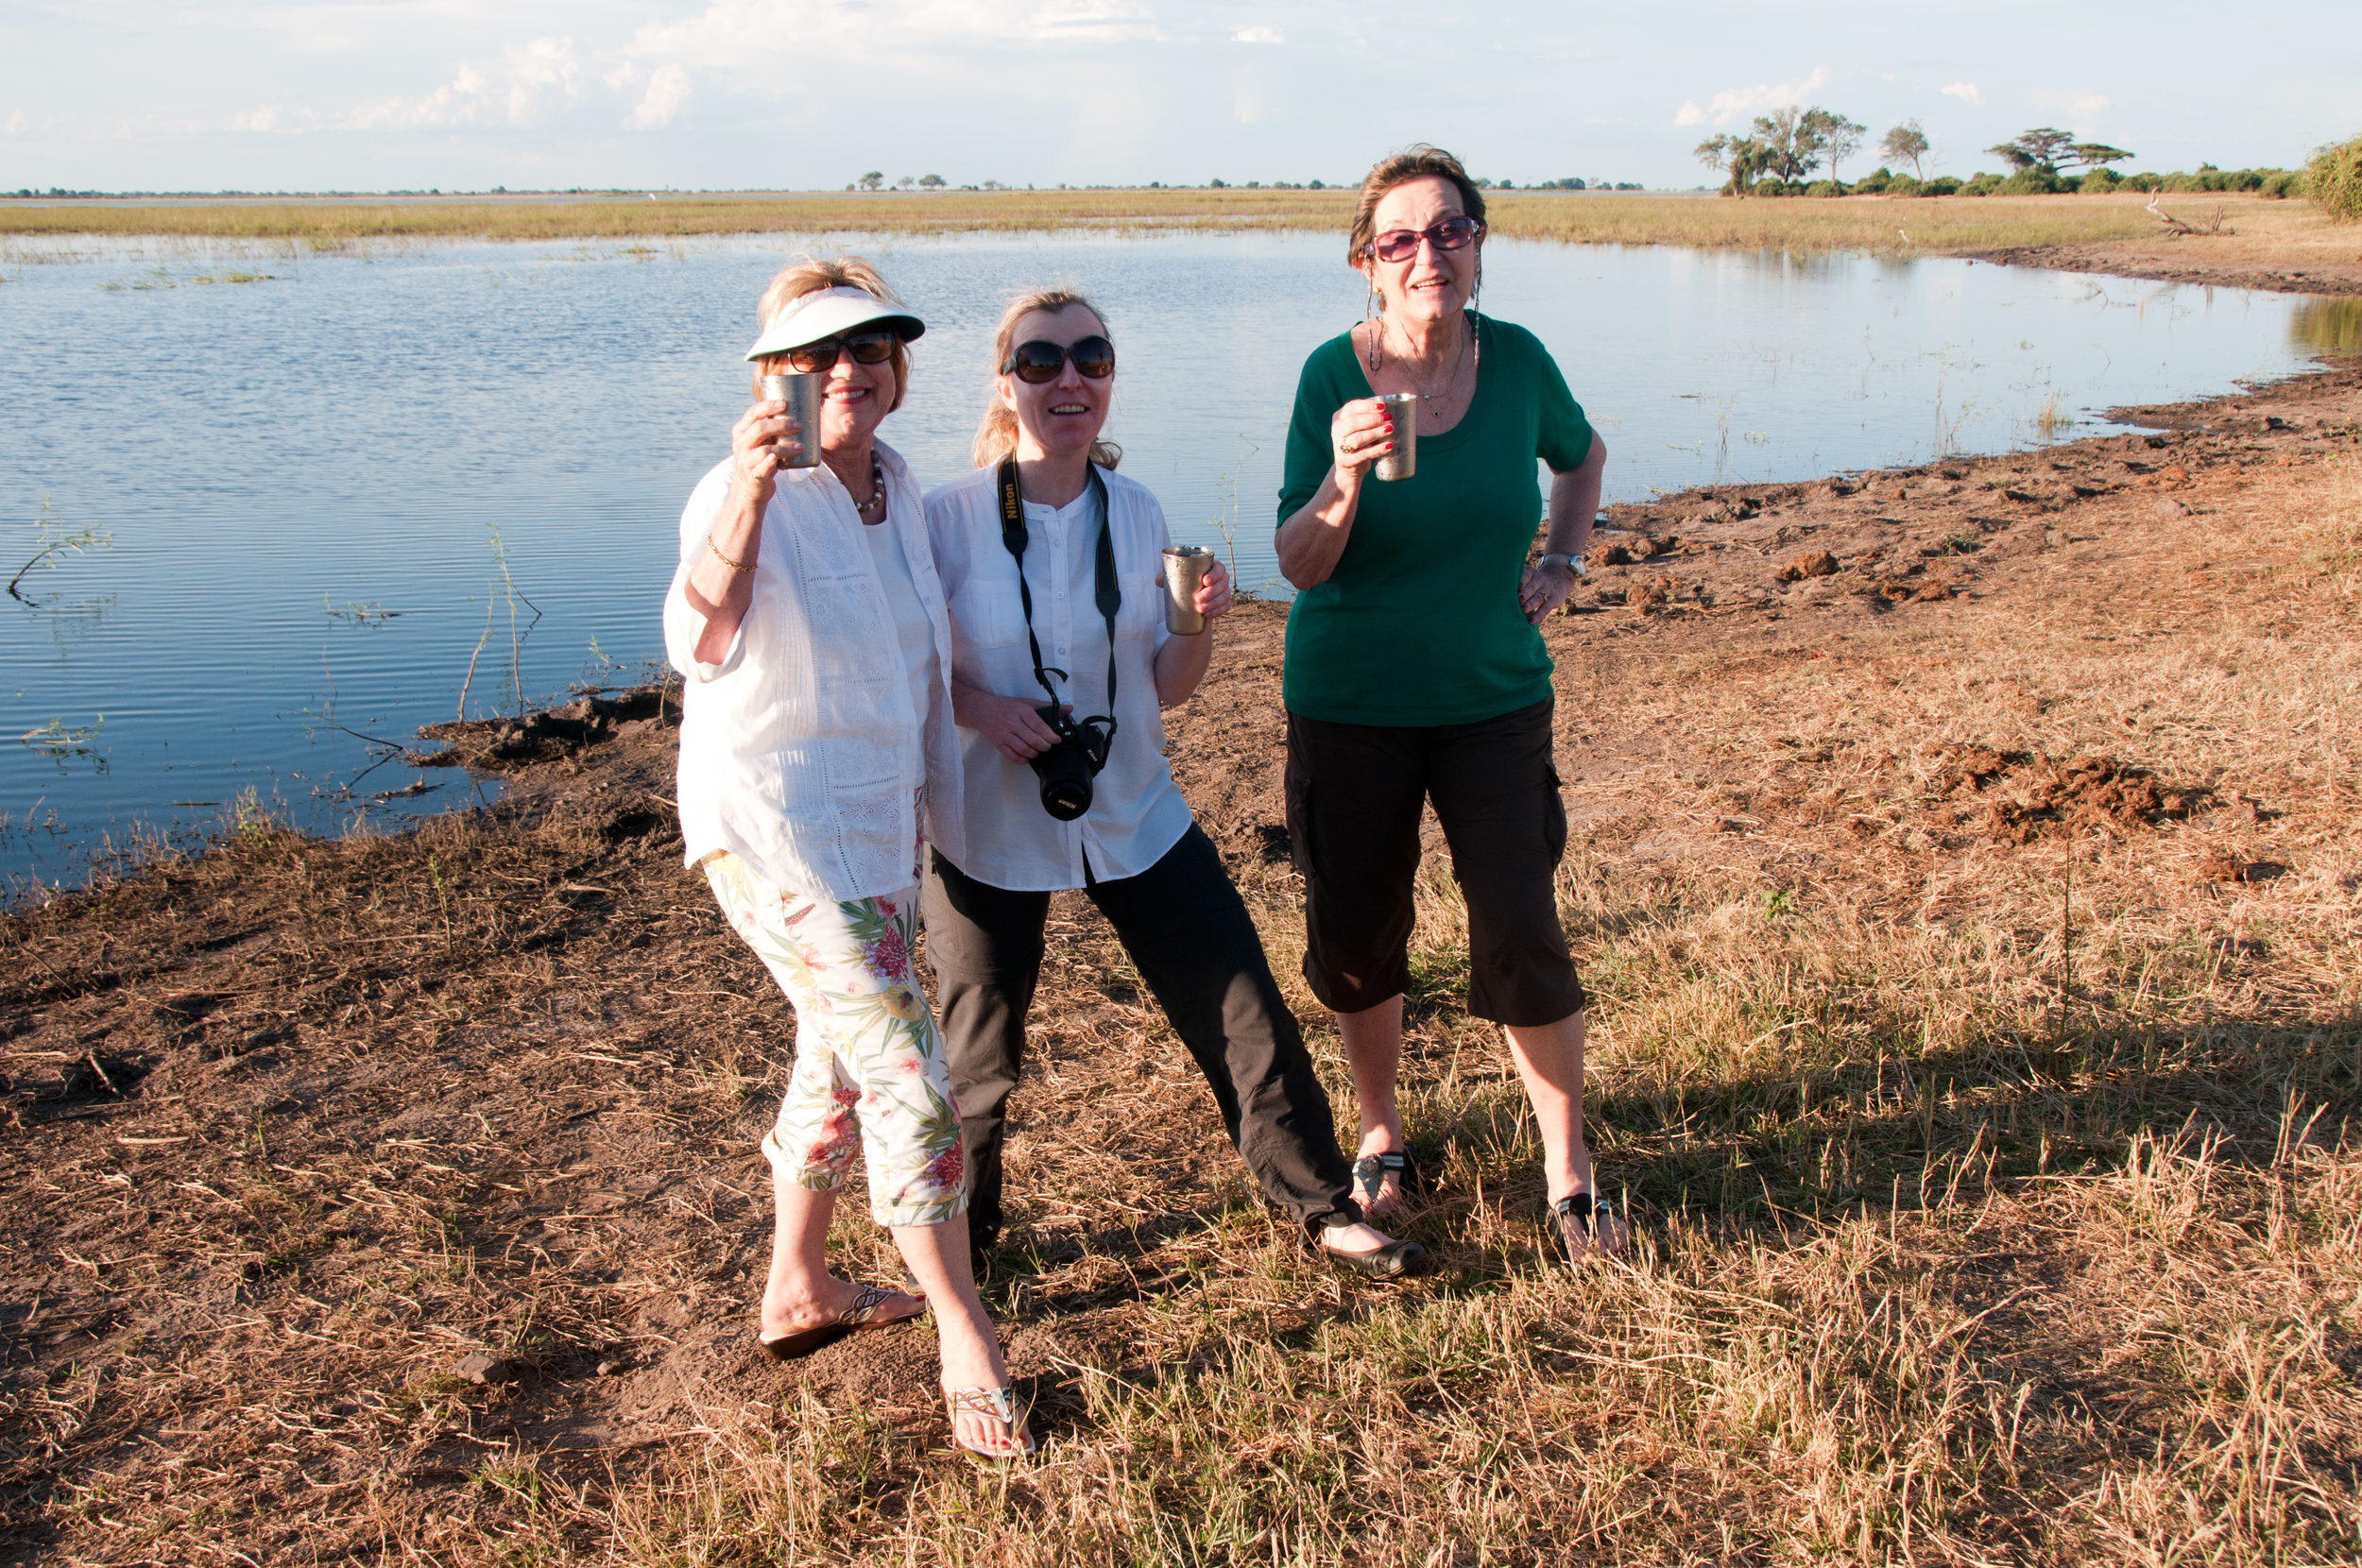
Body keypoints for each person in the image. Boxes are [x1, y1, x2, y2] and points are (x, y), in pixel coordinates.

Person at [921, 288, 1425, 1281]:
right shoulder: (944, 519)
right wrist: (982, 708)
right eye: (1040, 361)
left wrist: (1196, 624)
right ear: (1004, 382)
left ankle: (1322, 1203)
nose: (1069, 379)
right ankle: (963, 1253)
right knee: (976, 1057)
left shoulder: (1138, 508)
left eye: (1091, 358)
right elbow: (900, 666)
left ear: (1109, 377)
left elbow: (1164, 692)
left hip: (1130, 806)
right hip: (984, 821)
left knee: (1241, 1003)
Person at [663, 257, 1031, 1462]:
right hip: (773, 830)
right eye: (816, 353)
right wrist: (751, 495)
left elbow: (909, 652)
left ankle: (798, 1286)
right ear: (772, 375)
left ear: (895, 370)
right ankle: (962, 1329)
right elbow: (699, 637)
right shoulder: (743, 486)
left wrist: (983, 710)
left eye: (868, 349)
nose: (846, 371)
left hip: (876, 823)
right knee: (909, 1075)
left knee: (837, 1050)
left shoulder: (902, 486)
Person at [1274, 145, 1621, 1260]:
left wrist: (1564, 560)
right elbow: (1299, 564)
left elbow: (1581, 454)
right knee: (1361, 929)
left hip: (1491, 698)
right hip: (1352, 702)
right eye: (1400, 239)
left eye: (1450, 230)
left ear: (1477, 246)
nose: (1429, 253)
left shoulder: (1517, 363)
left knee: (1521, 924)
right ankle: (1380, 1132)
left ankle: (1568, 1175)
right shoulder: (1333, 375)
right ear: (1367, 266)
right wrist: (1341, 478)